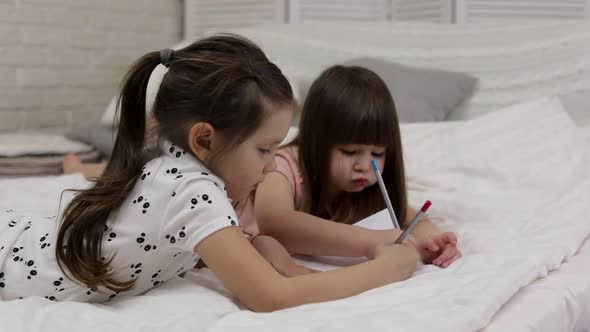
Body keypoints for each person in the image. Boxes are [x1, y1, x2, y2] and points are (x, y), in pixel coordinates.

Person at [0, 35, 419, 311]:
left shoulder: (179, 171)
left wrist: (268, 250)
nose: (272, 164)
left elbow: (213, 244)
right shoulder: (192, 189)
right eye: (264, 149)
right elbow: (268, 297)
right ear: (205, 140)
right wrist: (385, 269)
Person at [236, 65, 461, 276]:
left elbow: (411, 219)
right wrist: (370, 240)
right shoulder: (281, 168)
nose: (364, 166)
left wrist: (432, 242)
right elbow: (277, 224)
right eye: (350, 151)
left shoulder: (364, 187)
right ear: (316, 142)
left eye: (377, 154)